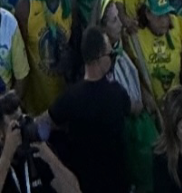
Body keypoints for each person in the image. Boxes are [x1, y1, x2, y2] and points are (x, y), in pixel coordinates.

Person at [47, 26, 130, 193]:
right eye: (110, 54)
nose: (111, 58)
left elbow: (47, 121)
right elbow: (129, 108)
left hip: (83, 183)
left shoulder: (70, 98)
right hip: (115, 183)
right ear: (99, 57)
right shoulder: (116, 93)